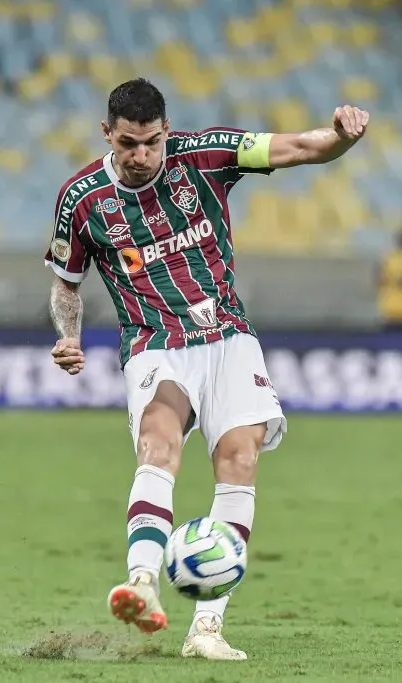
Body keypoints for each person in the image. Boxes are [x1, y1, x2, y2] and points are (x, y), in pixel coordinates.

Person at [42, 78, 368, 660]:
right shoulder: (81, 199)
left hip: (228, 335)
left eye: (150, 142)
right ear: (107, 135)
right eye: (127, 144)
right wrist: (68, 336)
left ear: (166, 130)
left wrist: (339, 138)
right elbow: (66, 285)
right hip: (154, 339)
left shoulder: (205, 155)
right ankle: (142, 581)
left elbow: (299, 148)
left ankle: (207, 630)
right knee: (159, 441)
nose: (140, 156)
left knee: (240, 460)